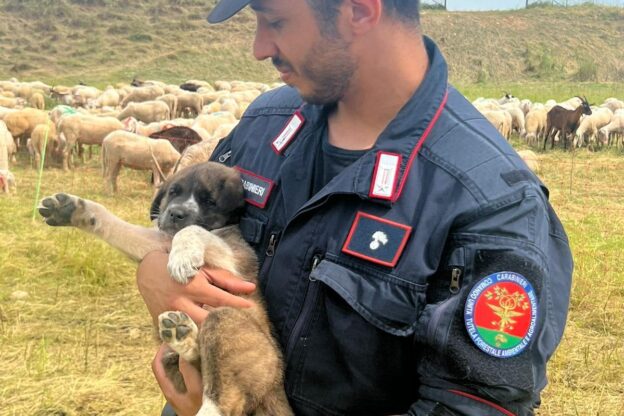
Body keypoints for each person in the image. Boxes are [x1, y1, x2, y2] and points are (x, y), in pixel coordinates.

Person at [136, 0, 573, 415]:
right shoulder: (262, 126)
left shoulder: (490, 202)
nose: (259, 48)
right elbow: (192, 235)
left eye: (277, 22)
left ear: (360, 11)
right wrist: (154, 274)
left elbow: (470, 407)